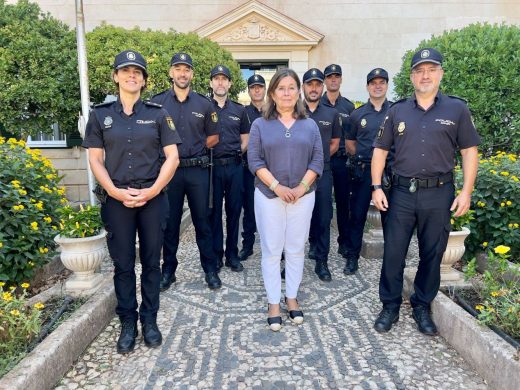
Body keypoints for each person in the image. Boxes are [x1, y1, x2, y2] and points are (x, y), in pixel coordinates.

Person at [371, 48, 479, 335]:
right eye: (419, 70)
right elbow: (380, 151)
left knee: (432, 253)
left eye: (431, 69)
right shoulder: (398, 110)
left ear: (441, 73)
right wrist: (376, 186)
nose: (425, 75)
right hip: (402, 194)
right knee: (394, 252)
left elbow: (469, 151)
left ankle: (422, 305)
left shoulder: (457, 109)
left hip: (439, 194)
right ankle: (390, 305)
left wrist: (466, 191)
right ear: (412, 77)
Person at [82, 50, 181, 353]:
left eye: (137, 72)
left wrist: (152, 191)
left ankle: (149, 320)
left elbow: (172, 157)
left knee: (152, 263)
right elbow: (95, 159)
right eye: (125, 71)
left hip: (152, 199)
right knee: (123, 265)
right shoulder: (100, 115)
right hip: (116, 200)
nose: (132, 75)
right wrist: (113, 190)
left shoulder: (158, 113)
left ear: (145, 80)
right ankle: (128, 322)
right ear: (116, 77)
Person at [248, 68, 324, 331]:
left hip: (302, 198)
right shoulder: (260, 124)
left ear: (298, 92)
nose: (287, 92)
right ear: (272, 93)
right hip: (270, 196)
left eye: (292, 87)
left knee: (295, 248)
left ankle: (291, 297)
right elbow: (254, 160)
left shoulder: (310, 125)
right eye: (282, 88)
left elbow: (317, 159)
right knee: (271, 249)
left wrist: (302, 186)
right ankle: (273, 303)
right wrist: (277, 186)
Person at [151, 52, 222, 291]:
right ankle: (168, 271)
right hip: (169, 173)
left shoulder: (204, 104)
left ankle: (210, 270)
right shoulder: (157, 102)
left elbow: (214, 137)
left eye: (187, 69)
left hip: (197, 172)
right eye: (178, 69)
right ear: (171, 73)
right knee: (169, 224)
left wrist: (196, 148)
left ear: (192, 74)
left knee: (203, 222)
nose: (182, 73)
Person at [343, 68, 392, 275]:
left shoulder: (396, 112)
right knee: (358, 215)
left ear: (387, 85)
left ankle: (391, 261)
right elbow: (350, 144)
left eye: (382, 82)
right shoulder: (357, 114)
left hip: (388, 174)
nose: (377, 86)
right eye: (373, 83)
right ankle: (352, 257)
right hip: (363, 171)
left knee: (391, 218)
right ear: (367, 87)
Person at [209, 65, 250, 272]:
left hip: (234, 168)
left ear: (230, 84)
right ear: (211, 83)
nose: (220, 82)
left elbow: (246, 139)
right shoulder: (205, 108)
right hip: (212, 168)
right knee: (214, 213)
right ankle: (216, 255)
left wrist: (236, 152)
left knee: (234, 212)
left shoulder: (239, 110)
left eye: (224, 79)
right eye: (216, 79)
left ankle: (232, 254)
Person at [302, 68, 342, 282]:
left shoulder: (331, 114)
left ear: (322, 86)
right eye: (310, 84)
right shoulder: (295, 111)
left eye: (318, 84)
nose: (314, 88)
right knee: (297, 219)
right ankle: (292, 263)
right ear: (303, 87)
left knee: (323, 217)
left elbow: (335, 143)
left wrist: (319, 160)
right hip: (297, 175)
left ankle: (322, 262)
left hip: (323, 173)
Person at [321, 64, 355, 259]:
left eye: (337, 76)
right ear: (325, 80)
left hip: (342, 161)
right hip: (322, 161)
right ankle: (315, 242)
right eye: (330, 77)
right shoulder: (316, 104)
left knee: (344, 204)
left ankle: (344, 242)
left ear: (341, 79)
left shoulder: (348, 107)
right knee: (320, 204)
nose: (333, 80)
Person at [239, 74, 266, 261]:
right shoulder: (243, 112)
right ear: (249, 91)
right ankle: (247, 245)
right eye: (253, 87)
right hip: (248, 169)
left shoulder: (273, 112)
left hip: (271, 169)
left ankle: (273, 248)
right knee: (249, 209)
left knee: (270, 210)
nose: (256, 90)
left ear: (265, 90)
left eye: (260, 87)